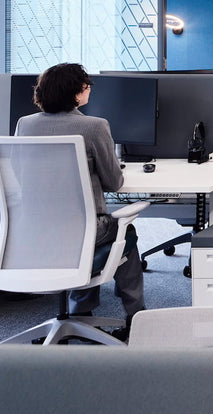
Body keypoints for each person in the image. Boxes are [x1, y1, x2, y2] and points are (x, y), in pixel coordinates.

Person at [14, 62, 143, 331]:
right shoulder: (94, 126)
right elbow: (114, 182)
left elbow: (19, 172)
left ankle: (81, 312)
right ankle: (136, 316)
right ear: (76, 92)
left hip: (34, 232)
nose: (89, 89)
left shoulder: (24, 125)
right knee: (124, 231)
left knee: (90, 233)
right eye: (86, 86)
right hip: (83, 231)